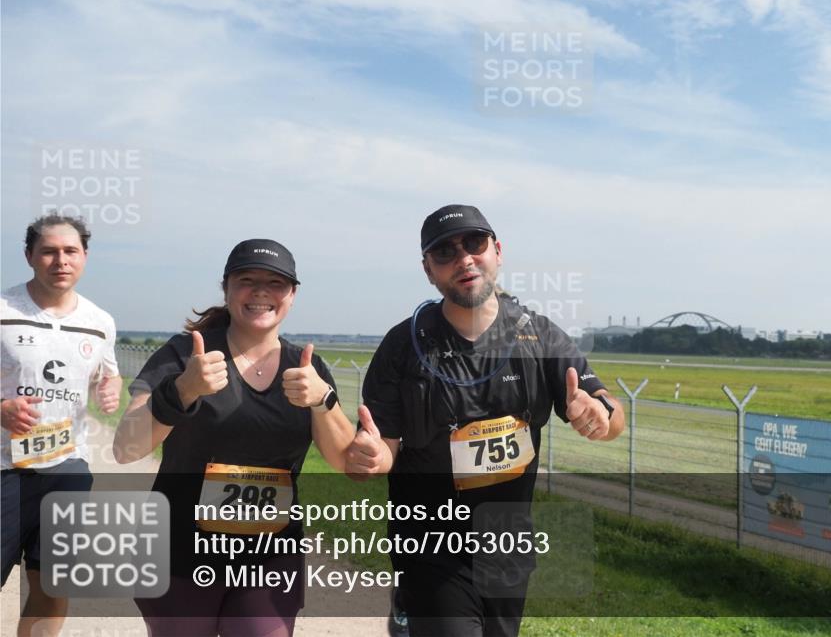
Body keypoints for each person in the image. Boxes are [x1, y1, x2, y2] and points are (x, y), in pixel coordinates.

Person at [346, 204, 625, 637]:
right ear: (428, 270)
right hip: (430, 544)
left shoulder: (542, 335)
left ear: (497, 250)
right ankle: (410, 606)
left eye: (474, 243)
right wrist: (371, 455)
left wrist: (601, 417)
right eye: (445, 252)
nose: (464, 259)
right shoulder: (404, 345)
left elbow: (608, 407)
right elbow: (383, 448)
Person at [113, 239, 355, 637]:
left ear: (292, 295)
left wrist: (322, 400)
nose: (261, 291)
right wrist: (181, 391)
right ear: (225, 289)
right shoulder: (184, 356)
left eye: (276, 283)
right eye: (247, 280)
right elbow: (125, 448)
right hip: (181, 551)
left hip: (271, 552)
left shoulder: (308, 367)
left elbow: (344, 461)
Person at [1, 214, 121, 637]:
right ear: (30, 256)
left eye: (70, 251)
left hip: (68, 468)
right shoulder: (2, 311)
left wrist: (110, 388)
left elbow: (109, 374)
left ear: (84, 257)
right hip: (5, 470)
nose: (60, 260)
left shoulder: (100, 321)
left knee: (53, 581)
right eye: (49, 251)